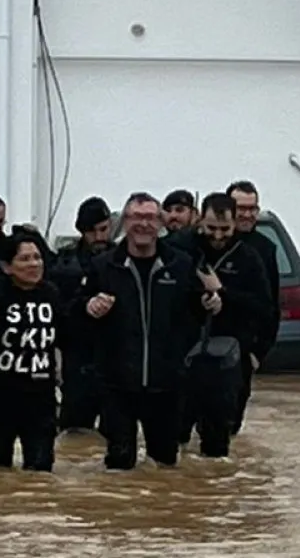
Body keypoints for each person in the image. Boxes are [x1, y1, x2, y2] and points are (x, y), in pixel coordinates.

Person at [79, 192, 223, 470]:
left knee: (165, 466)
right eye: (136, 217)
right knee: (119, 466)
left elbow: (197, 310)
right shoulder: (104, 266)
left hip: (167, 384)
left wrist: (211, 302)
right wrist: (89, 306)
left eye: (149, 218)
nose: (143, 224)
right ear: (124, 222)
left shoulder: (180, 265)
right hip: (117, 384)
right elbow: (76, 312)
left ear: (160, 223)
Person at [182, 191, 276, 456]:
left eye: (225, 229)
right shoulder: (183, 249)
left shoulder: (249, 258)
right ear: (200, 220)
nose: (218, 236)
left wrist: (223, 294)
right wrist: (200, 298)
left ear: (234, 224)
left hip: (229, 360)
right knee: (175, 437)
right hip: (184, 355)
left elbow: (264, 307)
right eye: (211, 228)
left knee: (219, 443)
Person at [0, 231, 63, 471]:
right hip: (0, 396)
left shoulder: (51, 294)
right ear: (7, 267)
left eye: (37, 257)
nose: (34, 264)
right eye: (25, 259)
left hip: (41, 396)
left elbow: (64, 336)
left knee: (40, 470)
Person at [224, 178, 284, 432]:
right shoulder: (211, 243)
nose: (247, 215)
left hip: (244, 348)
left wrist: (259, 352)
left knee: (230, 424)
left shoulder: (265, 249)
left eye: (252, 209)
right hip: (205, 344)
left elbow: (271, 305)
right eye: (242, 209)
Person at [52, 195, 114, 432]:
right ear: (81, 231)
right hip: (77, 356)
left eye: (103, 229)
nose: (99, 237)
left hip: (113, 357)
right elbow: (58, 312)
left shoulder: (121, 260)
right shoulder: (65, 266)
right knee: (74, 429)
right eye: (92, 231)